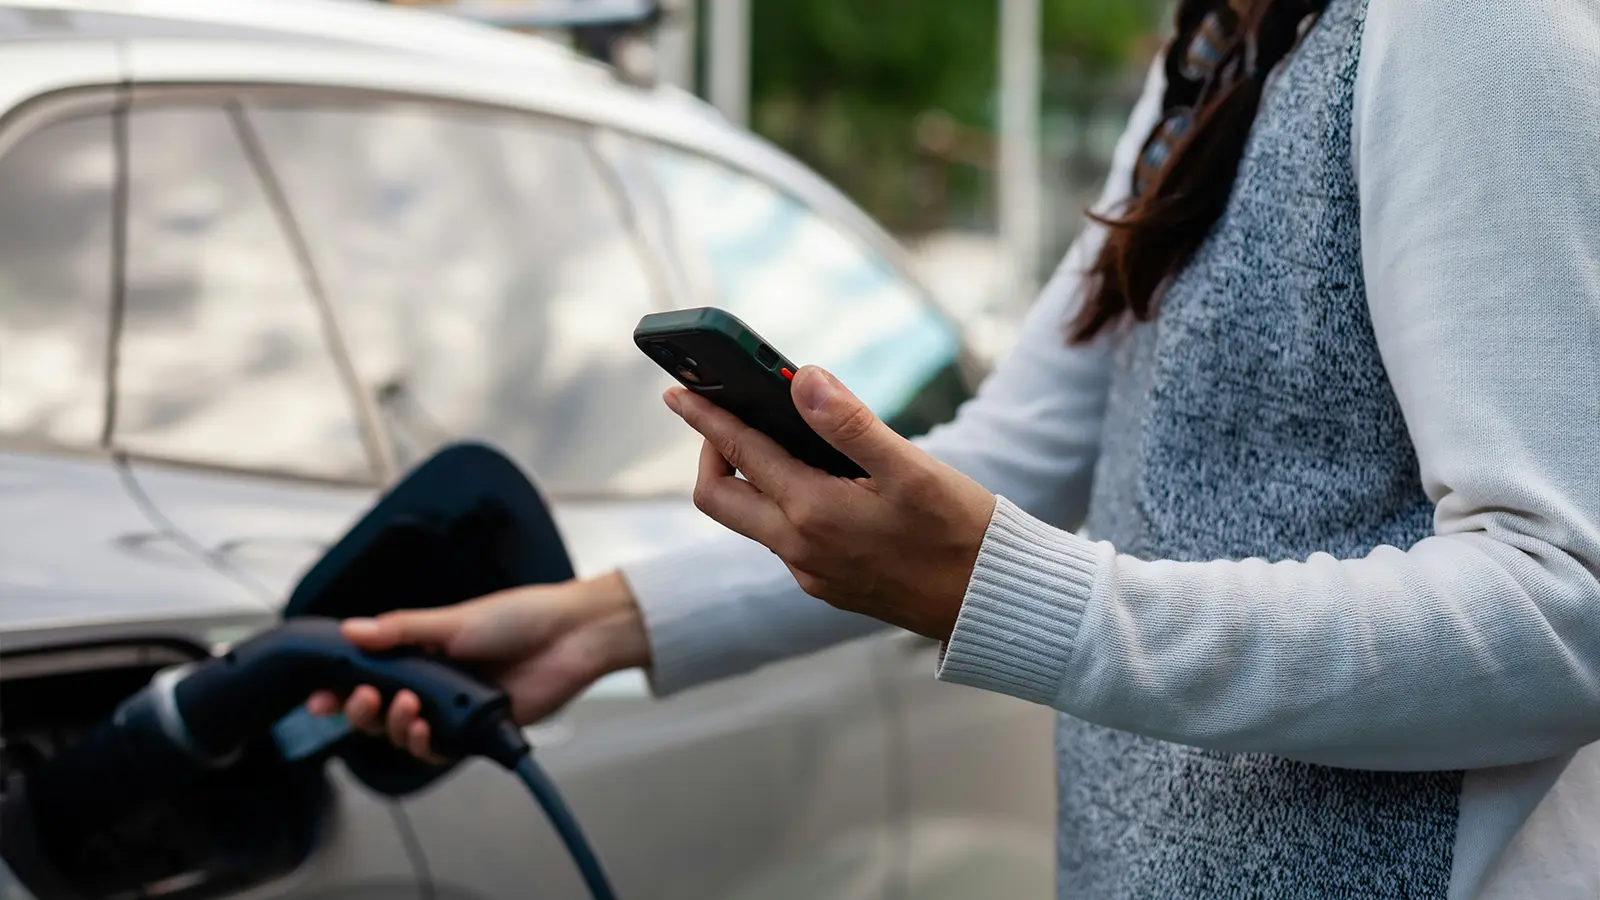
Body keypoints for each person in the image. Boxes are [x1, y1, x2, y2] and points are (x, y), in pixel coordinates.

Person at [309, 0, 1600, 895]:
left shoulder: (1463, 27)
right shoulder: (1226, 42)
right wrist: (598, 627)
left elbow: (1564, 609)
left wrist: (1013, 593)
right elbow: (1026, 444)